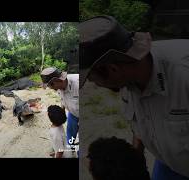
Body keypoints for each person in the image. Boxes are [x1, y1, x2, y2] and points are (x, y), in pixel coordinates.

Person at [79, 15, 189, 179]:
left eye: (92, 78)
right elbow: (140, 121)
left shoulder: (183, 74)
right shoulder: (127, 78)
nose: (95, 85)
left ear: (113, 69)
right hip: (167, 163)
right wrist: (133, 164)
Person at [40, 67, 79, 152]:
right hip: (73, 114)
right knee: (70, 135)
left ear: (56, 82)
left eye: (50, 86)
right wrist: (59, 117)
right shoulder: (58, 87)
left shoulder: (79, 84)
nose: (50, 88)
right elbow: (64, 100)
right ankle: (69, 147)